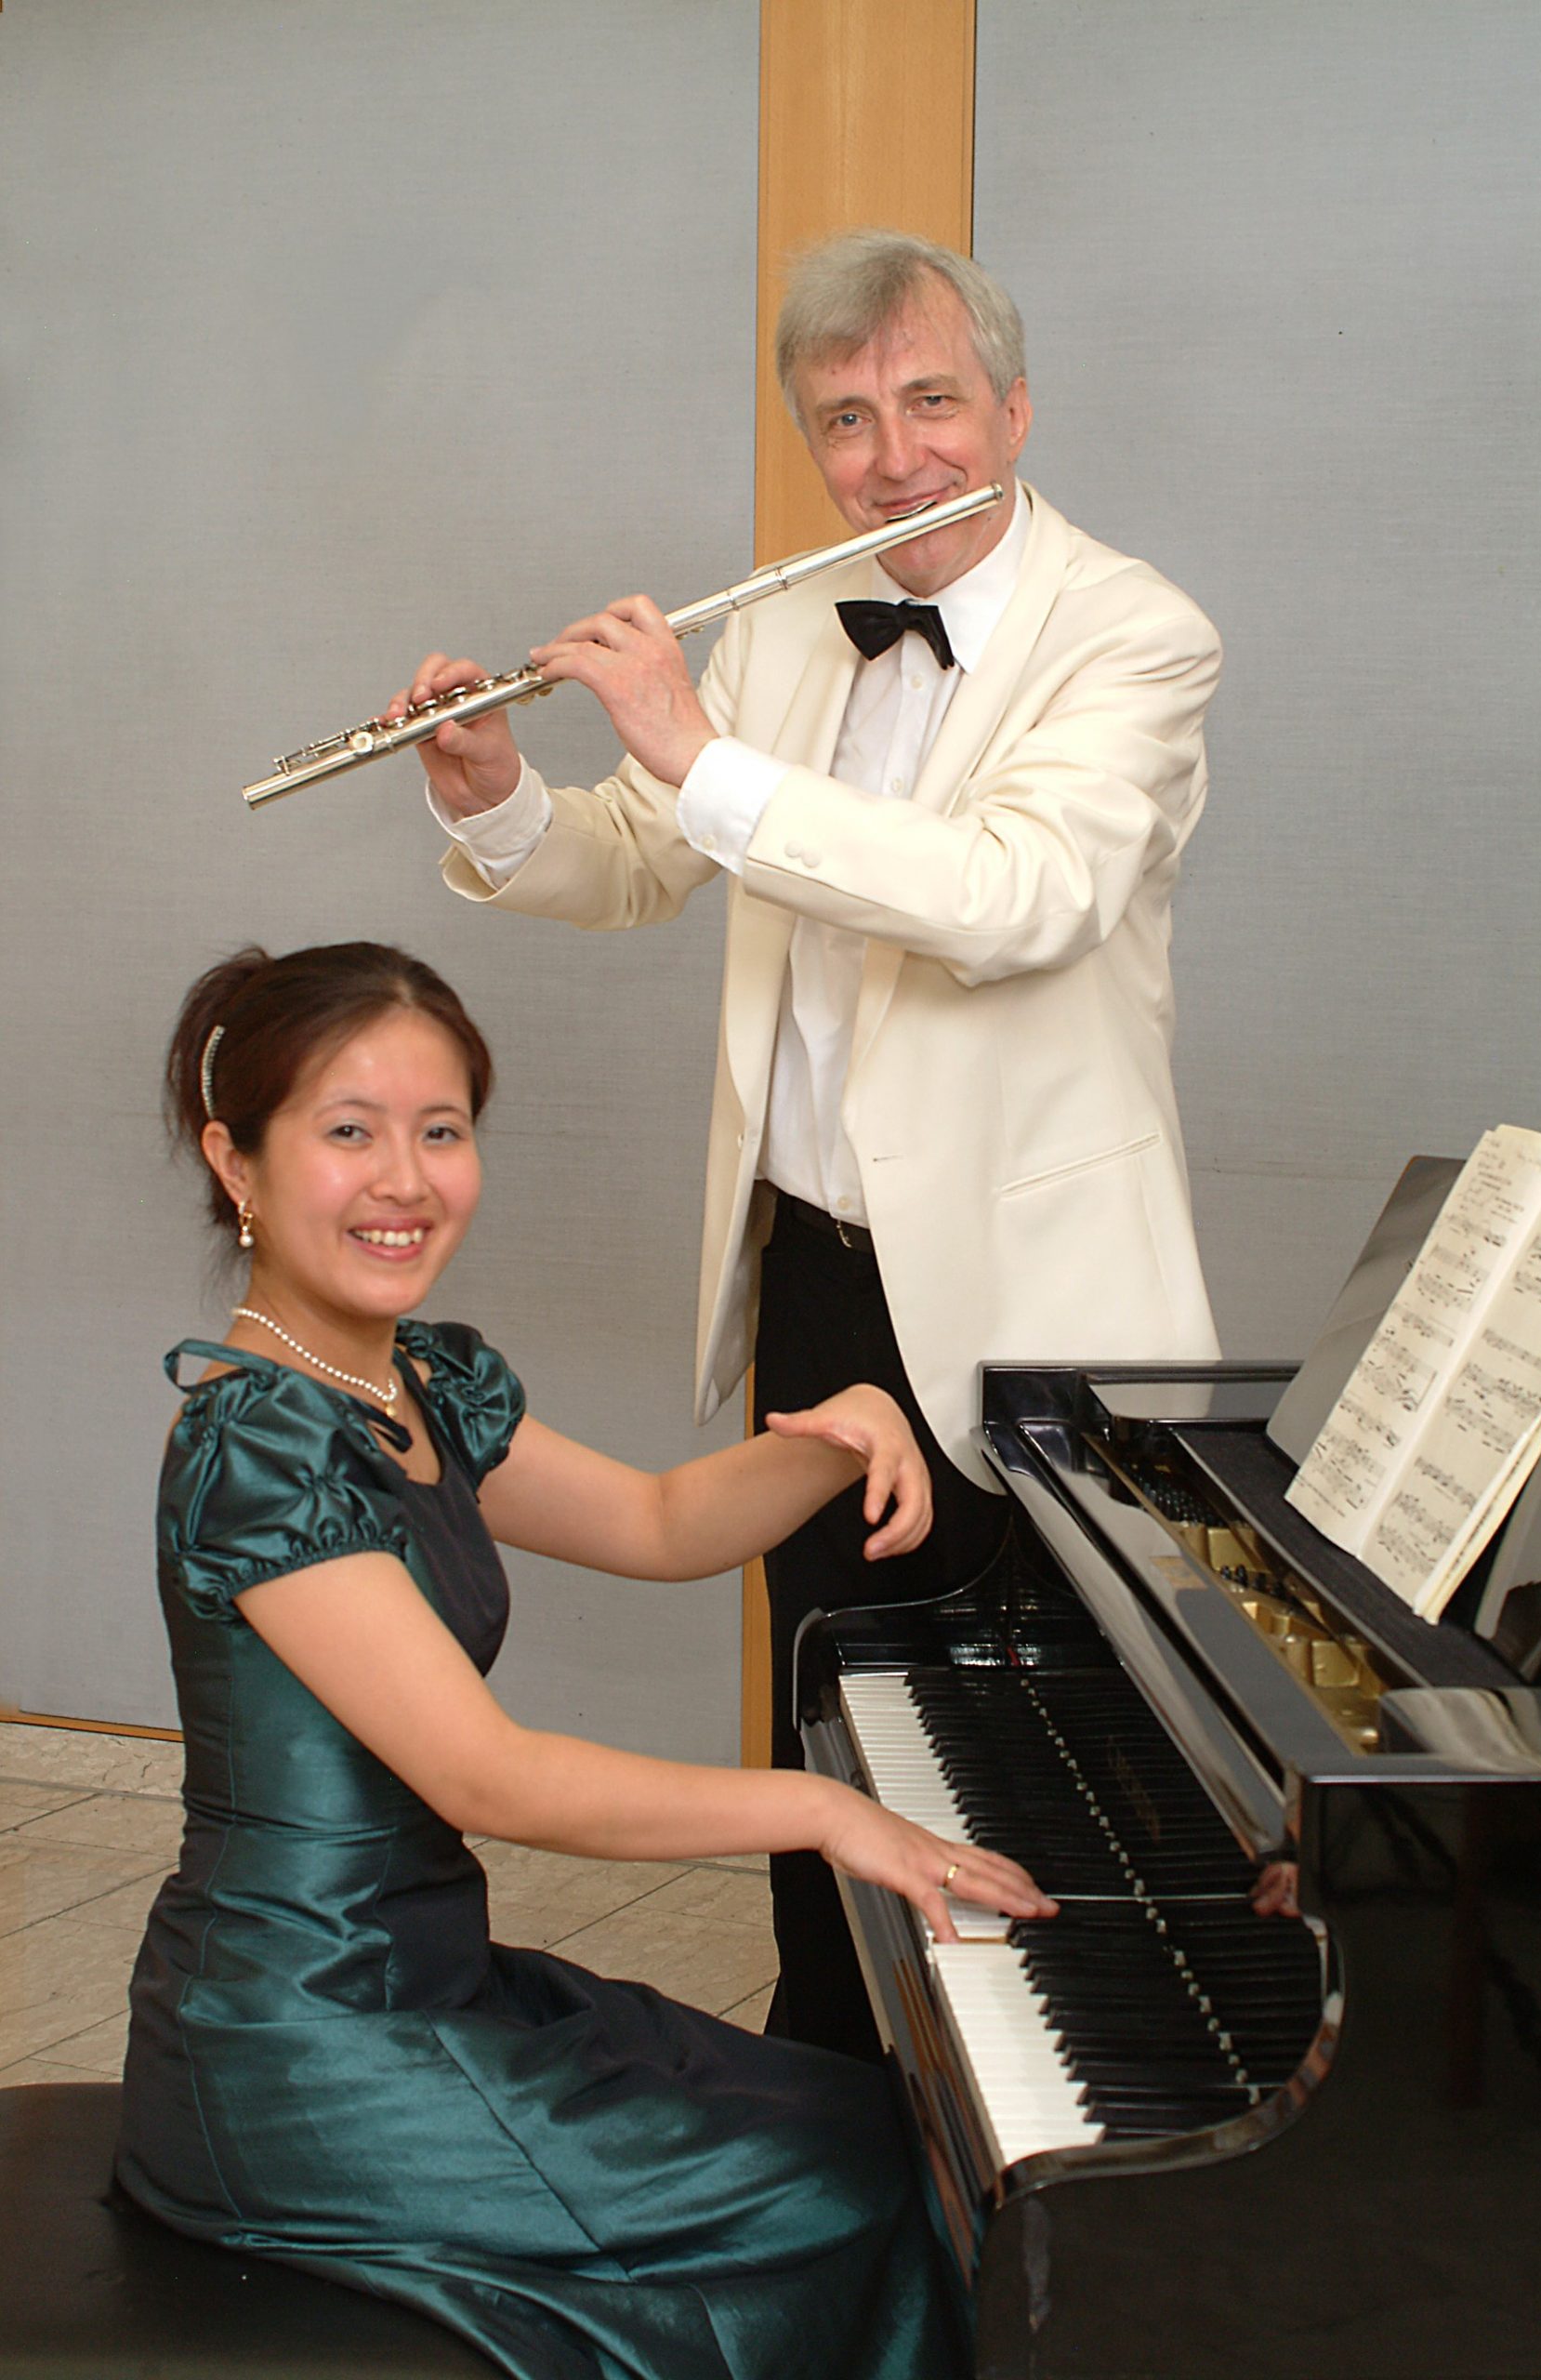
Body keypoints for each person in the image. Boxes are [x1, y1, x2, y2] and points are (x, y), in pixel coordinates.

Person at [395, 228, 1222, 2058]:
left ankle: (1062, 2113)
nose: (894, 455)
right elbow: (642, 856)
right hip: (818, 1285)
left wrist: (700, 757)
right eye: (845, 419)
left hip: (1037, 1300)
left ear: (1014, 408)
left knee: (1047, 1751)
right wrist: (501, 796)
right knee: (829, 1716)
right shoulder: (785, 621)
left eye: (932, 402)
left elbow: (1013, 895)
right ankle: (832, 2092)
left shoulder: (1134, 633)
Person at [115, 939, 1055, 2380]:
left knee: (879, 2123)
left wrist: (849, 1425)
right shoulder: (258, 1447)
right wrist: (822, 1809)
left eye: (442, 1132)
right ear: (235, 1162)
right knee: (857, 2189)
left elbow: (661, 1520)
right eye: (349, 1132)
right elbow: (492, 1779)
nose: (406, 1180)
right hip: (300, 2052)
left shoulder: (409, 1383)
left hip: (422, 1987)